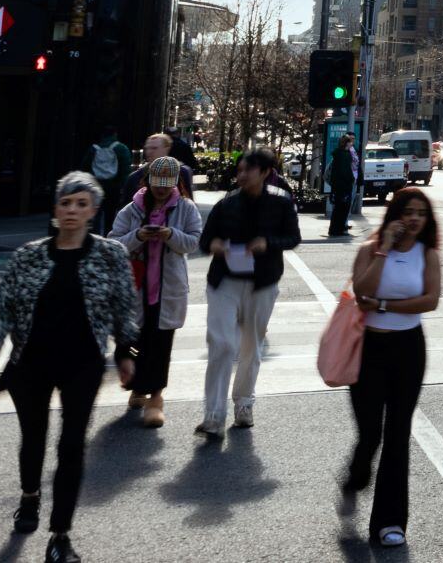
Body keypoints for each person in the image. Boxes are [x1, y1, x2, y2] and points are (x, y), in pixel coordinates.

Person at [0, 172, 139, 563]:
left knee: (71, 447)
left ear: (93, 211)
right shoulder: (28, 255)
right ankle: (30, 496)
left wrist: (125, 351)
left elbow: (124, 306)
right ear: (55, 209)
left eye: (81, 204)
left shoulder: (110, 254)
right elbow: (3, 305)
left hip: (82, 363)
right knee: (33, 439)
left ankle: (60, 536)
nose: (72, 210)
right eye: (66, 203)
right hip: (30, 362)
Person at [340, 188, 442, 548]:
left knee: (398, 435)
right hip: (368, 349)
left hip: (408, 350)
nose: (415, 219)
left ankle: (390, 521)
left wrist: (384, 304)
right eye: (408, 212)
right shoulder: (369, 250)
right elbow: (361, 289)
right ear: (394, 215)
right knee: (370, 432)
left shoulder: (427, 254)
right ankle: (356, 473)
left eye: (421, 213)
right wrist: (383, 247)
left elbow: (430, 301)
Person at [196, 148, 301, 438]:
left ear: (266, 172)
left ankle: (244, 403)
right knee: (221, 345)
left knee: (250, 347)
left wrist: (268, 243)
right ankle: (214, 414)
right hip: (224, 282)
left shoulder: (281, 203)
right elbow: (205, 240)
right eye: (239, 170)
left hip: (262, 283)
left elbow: (294, 238)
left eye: (248, 170)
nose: (241, 175)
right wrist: (215, 245)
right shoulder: (226, 203)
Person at [107, 157, 201, 428]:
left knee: (161, 342)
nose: (161, 190)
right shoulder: (131, 209)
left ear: (175, 183)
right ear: (147, 181)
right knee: (133, 340)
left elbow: (193, 242)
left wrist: (170, 234)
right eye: (156, 184)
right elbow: (114, 242)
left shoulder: (185, 208)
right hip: (136, 286)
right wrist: (139, 236)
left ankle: (156, 397)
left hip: (167, 288)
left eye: (166, 185)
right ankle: (137, 389)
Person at [124, 133, 194, 199]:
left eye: (154, 148)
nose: (149, 151)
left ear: (167, 148)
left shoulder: (181, 172)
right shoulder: (135, 177)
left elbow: (188, 198)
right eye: (147, 148)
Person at [86, 130, 130, 231]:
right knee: (110, 214)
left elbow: (85, 167)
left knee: (95, 213)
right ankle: (108, 236)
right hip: (114, 188)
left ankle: (94, 236)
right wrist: (122, 186)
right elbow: (125, 170)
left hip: (95, 186)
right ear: (115, 134)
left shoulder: (93, 148)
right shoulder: (121, 148)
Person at [327, 135, 357, 239]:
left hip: (337, 185)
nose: (351, 144)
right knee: (343, 208)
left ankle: (334, 229)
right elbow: (345, 171)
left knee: (338, 208)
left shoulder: (338, 154)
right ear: (346, 143)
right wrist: (351, 179)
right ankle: (338, 229)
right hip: (344, 185)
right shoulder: (345, 154)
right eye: (350, 142)